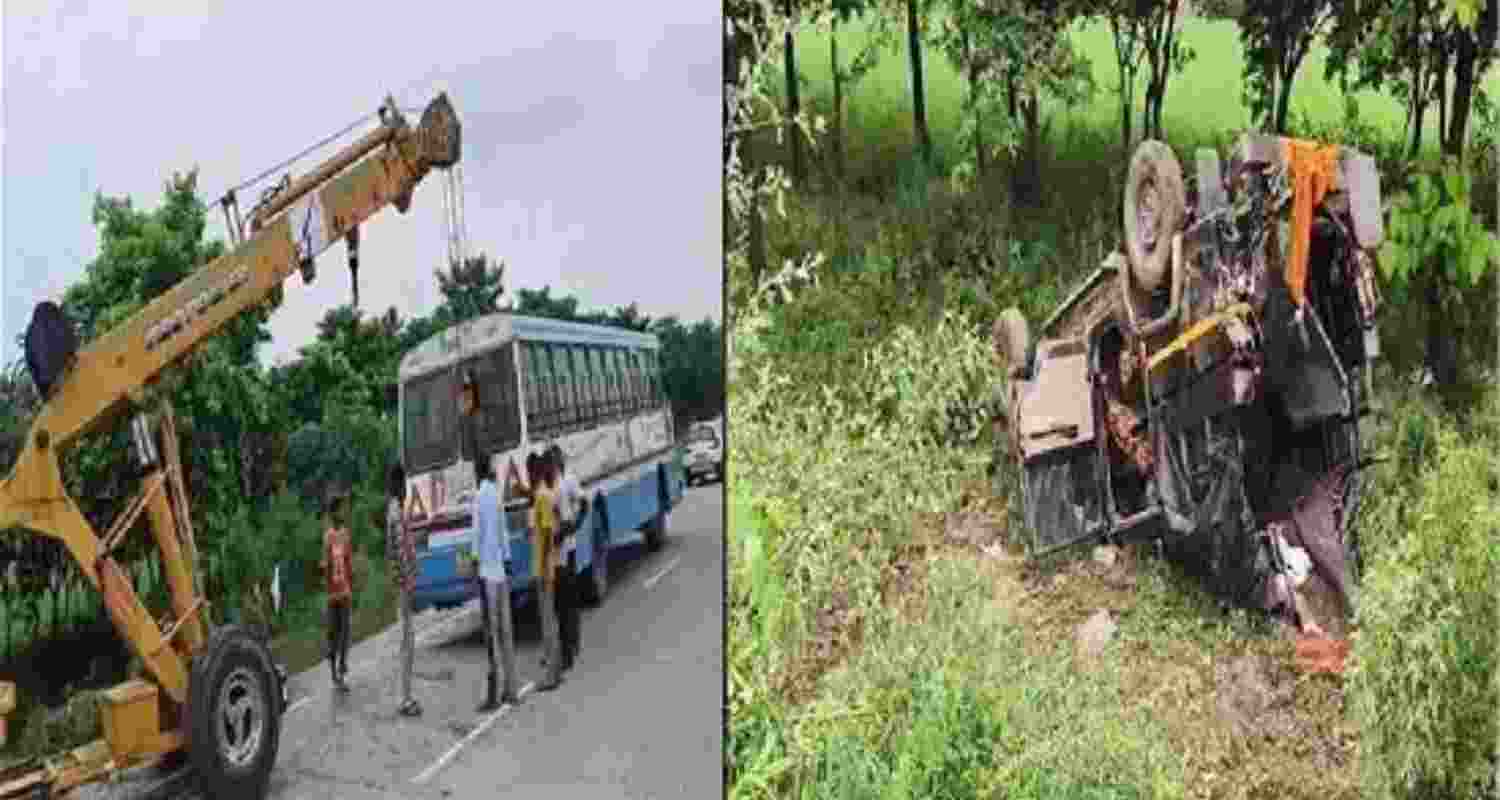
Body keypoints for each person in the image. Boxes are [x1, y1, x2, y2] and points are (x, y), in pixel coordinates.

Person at [472, 451, 520, 712]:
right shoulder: (497, 494)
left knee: (492, 634)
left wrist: (474, 560)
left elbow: (477, 535)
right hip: (501, 571)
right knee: (507, 632)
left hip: (487, 576)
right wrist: (508, 558)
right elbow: (503, 530)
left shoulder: (478, 498)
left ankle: (495, 691)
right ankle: (512, 689)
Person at [386, 462, 422, 717]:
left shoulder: (393, 510)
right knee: (407, 643)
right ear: (400, 485)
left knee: (407, 641)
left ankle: (405, 696)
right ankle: (405, 698)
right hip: (403, 584)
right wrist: (408, 581)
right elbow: (399, 550)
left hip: (401, 582)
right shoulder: (396, 511)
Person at [528, 452, 564, 691]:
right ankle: (557, 669)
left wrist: (541, 566)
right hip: (547, 565)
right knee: (550, 619)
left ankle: (551, 675)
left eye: (529, 471)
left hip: (544, 569)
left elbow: (550, 532)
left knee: (548, 621)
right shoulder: (546, 495)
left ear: (535, 472)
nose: (528, 476)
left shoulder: (541, 497)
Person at [550, 445, 585, 672]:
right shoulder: (548, 485)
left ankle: (570, 648)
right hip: (554, 554)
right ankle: (568, 646)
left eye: (555, 460)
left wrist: (574, 526)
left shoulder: (569, 481)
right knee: (560, 604)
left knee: (568, 602)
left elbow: (584, 503)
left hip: (568, 550)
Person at [320, 489, 355, 693]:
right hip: (333, 594)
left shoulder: (345, 534)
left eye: (342, 510)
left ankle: (341, 671)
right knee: (333, 634)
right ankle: (334, 671)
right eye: (339, 510)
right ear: (332, 513)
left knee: (345, 633)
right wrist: (328, 592)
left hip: (345, 591)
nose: (342, 514)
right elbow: (325, 566)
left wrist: (351, 585)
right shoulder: (328, 537)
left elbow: (348, 561)